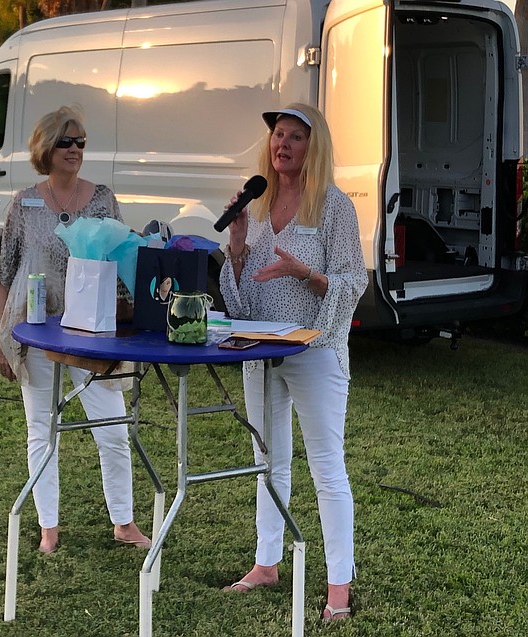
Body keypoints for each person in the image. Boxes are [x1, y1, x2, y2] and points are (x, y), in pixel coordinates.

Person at [218, 103, 368, 621]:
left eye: (295, 136)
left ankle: (338, 587)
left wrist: (306, 273)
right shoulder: (256, 206)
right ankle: (266, 562)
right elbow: (239, 302)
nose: (282, 143)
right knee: (268, 461)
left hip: (314, 352)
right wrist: (238, 246)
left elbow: (353, 281)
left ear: (314, 145)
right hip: (260, 353)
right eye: (278, 135)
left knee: (327, 468)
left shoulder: (333, 207)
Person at [0, 105, 150, 554]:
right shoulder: (24, 203)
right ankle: (49, 528)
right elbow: (4, 274)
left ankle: (124, 522)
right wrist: (3, 339)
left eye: (81, 141)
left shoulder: (102, 199)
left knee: (113, 430)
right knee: (41, 430)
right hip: (36, 333)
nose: (75, 149)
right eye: (66, 141)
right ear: (45, 147)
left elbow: (125, 261)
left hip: (93, 334)